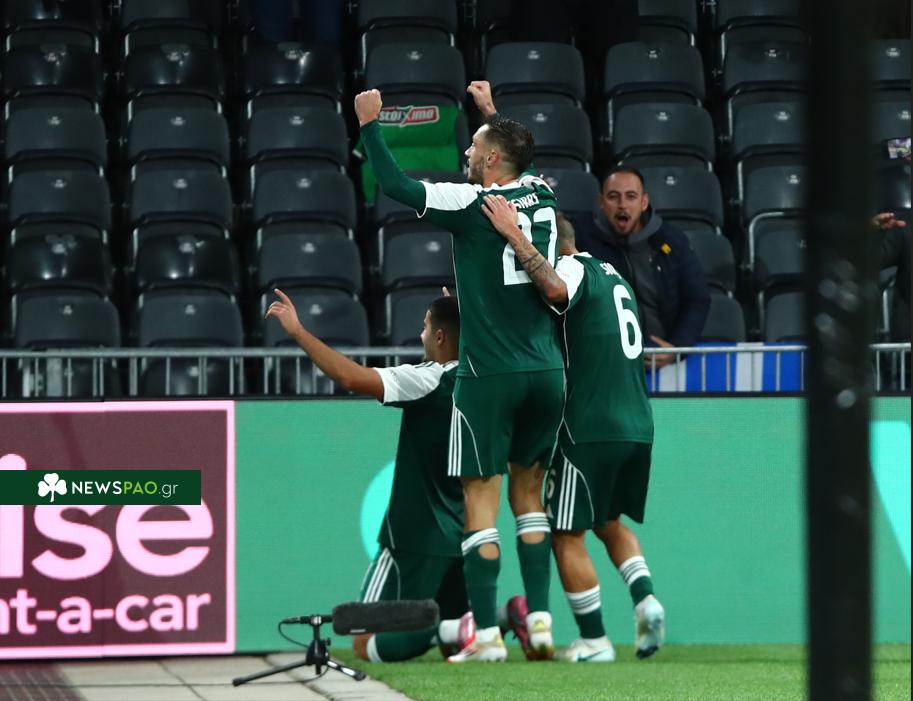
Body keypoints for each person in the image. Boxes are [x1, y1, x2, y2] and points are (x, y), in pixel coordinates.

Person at [355, 82, 566, 662]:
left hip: (490, 375)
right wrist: (493, 114)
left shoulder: (471, 203)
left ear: (492, 160)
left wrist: (370, 125)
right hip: (548, 372)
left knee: (480, 502)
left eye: (475, 146)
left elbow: (397, 186)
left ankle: (488, 637)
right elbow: (521, 156)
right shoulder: (542, 195)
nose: (466, 153)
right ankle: (541, 622)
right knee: (531, 500)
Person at [483, 198, 665, 662]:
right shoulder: (614, 276)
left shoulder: (573, 269)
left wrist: (515, 236)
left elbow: (554, 288)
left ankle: (594, 640)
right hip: (638, 423)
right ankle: (646, 599)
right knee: (609, 521)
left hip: (588, 425)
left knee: (566, 532)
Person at [265, 290, 472, 662]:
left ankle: (452, 628)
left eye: (426, 327)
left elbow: (350, 377)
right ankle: (501, 618)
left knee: (362, 637)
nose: (421, 334)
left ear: (441, 337)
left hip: (412, 537)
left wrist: (297, 331)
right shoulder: (486, 379)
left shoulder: (429, 380)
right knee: (455, 645)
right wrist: (466, 312)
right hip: (465, 533)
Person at [570, 167, 711, 369]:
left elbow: (697, 299)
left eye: (631, 196)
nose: (622, 205)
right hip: (602, 361)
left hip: (662, 362)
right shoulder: (580, 238)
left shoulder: (671, 240)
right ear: (601, 202)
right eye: (613, 197)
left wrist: (676, 347)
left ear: (644, 202)